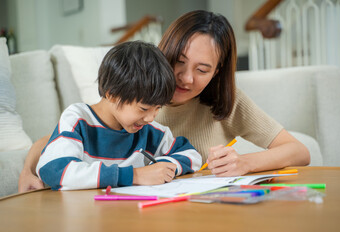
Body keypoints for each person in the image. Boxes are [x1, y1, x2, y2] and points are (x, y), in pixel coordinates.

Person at [19, 10, 309, 193]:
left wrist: (245, 163)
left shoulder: (219, 103)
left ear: (217, 72)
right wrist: (26, 172)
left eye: (202, 69)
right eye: (178, 62)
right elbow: (59, 144)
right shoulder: (131, 96)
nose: (185, 78)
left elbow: (298, 151)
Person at [35, 41, 201, 190]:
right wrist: (136, 176)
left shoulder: (149, 130)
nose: (151, 118)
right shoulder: (78, 120)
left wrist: (164, 167)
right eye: (143, 109)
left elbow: (191, 155)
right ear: (112, 94)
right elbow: (53, 170)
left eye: (157, 108)